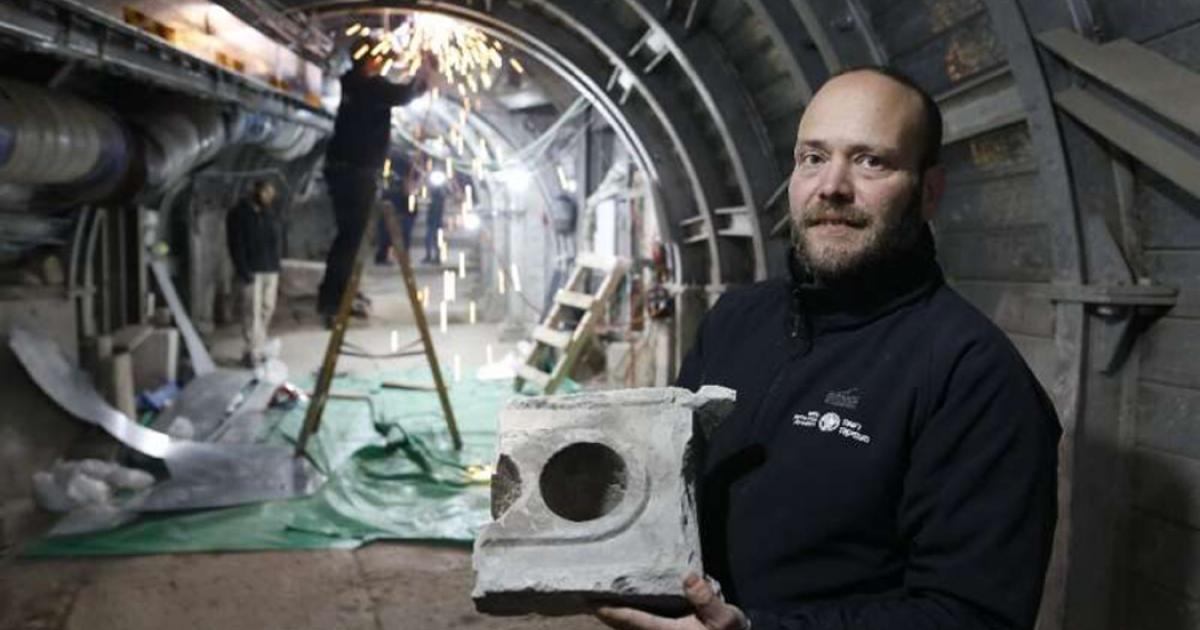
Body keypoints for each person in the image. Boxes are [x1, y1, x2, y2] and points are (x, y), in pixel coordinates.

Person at [596, 67, 1062, 630]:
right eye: (813, 157)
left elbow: (971, 615)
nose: (832, 186)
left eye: (872, 161)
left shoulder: (974, 376)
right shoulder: (736, 320)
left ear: (929, 191)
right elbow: (668, 485)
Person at [317, 36, 429, 325]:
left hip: (342, 170)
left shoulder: (350, 82)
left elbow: (400, 94)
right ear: (369, 59)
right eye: (378, 58)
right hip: (357, 172)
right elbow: (404, 96)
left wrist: (418, 80)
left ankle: (338, 297)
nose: (381, 63)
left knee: (347, 239)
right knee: (350, 240)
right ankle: (333, 302)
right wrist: (423, 74)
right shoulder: (370, 86)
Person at [225, 179, 281, 366]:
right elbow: (235, 244)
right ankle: (252, 352)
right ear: (255, 191)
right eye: (266, 192)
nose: (269, 196)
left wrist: (277, 265)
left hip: (270, 269)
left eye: (271, 193)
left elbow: (275, 241)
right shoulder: (238, 214)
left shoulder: (268, 213)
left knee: (267, 308)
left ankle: (258, 346)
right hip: (251, 270)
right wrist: (242, 269)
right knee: (251, 312)